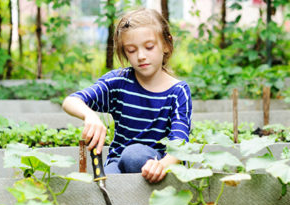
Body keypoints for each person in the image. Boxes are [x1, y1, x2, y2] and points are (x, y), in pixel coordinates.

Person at [62, 8, 192, 183]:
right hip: (118, 163)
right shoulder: (119, 82)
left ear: (166, 45)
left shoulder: (178, 91)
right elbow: (70, 101)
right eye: (131, 50)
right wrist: (89, 115)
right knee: (107, 182)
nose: (141, 56)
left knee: (134, 155)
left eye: (149, 47)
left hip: (162, 166)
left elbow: (179, 142)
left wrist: (161, 165)